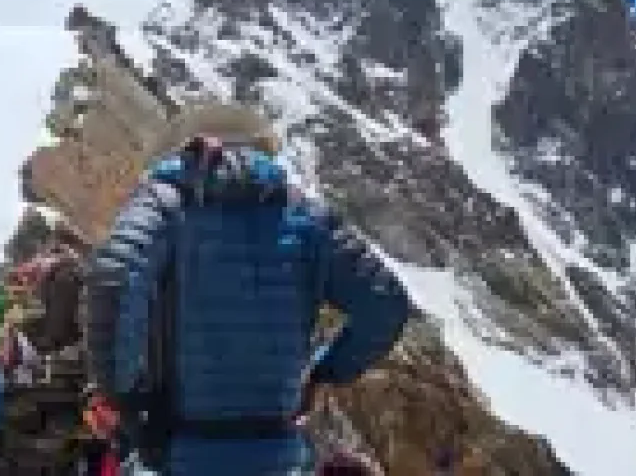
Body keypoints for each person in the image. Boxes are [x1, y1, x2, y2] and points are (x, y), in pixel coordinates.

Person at [82, 103, 411, 476]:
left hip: (179, 452)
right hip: (275, 456)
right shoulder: (305, 217)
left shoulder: (164, 203)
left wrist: (123, 398)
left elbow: (114, 277)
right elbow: (386, 304)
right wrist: (323, 373)